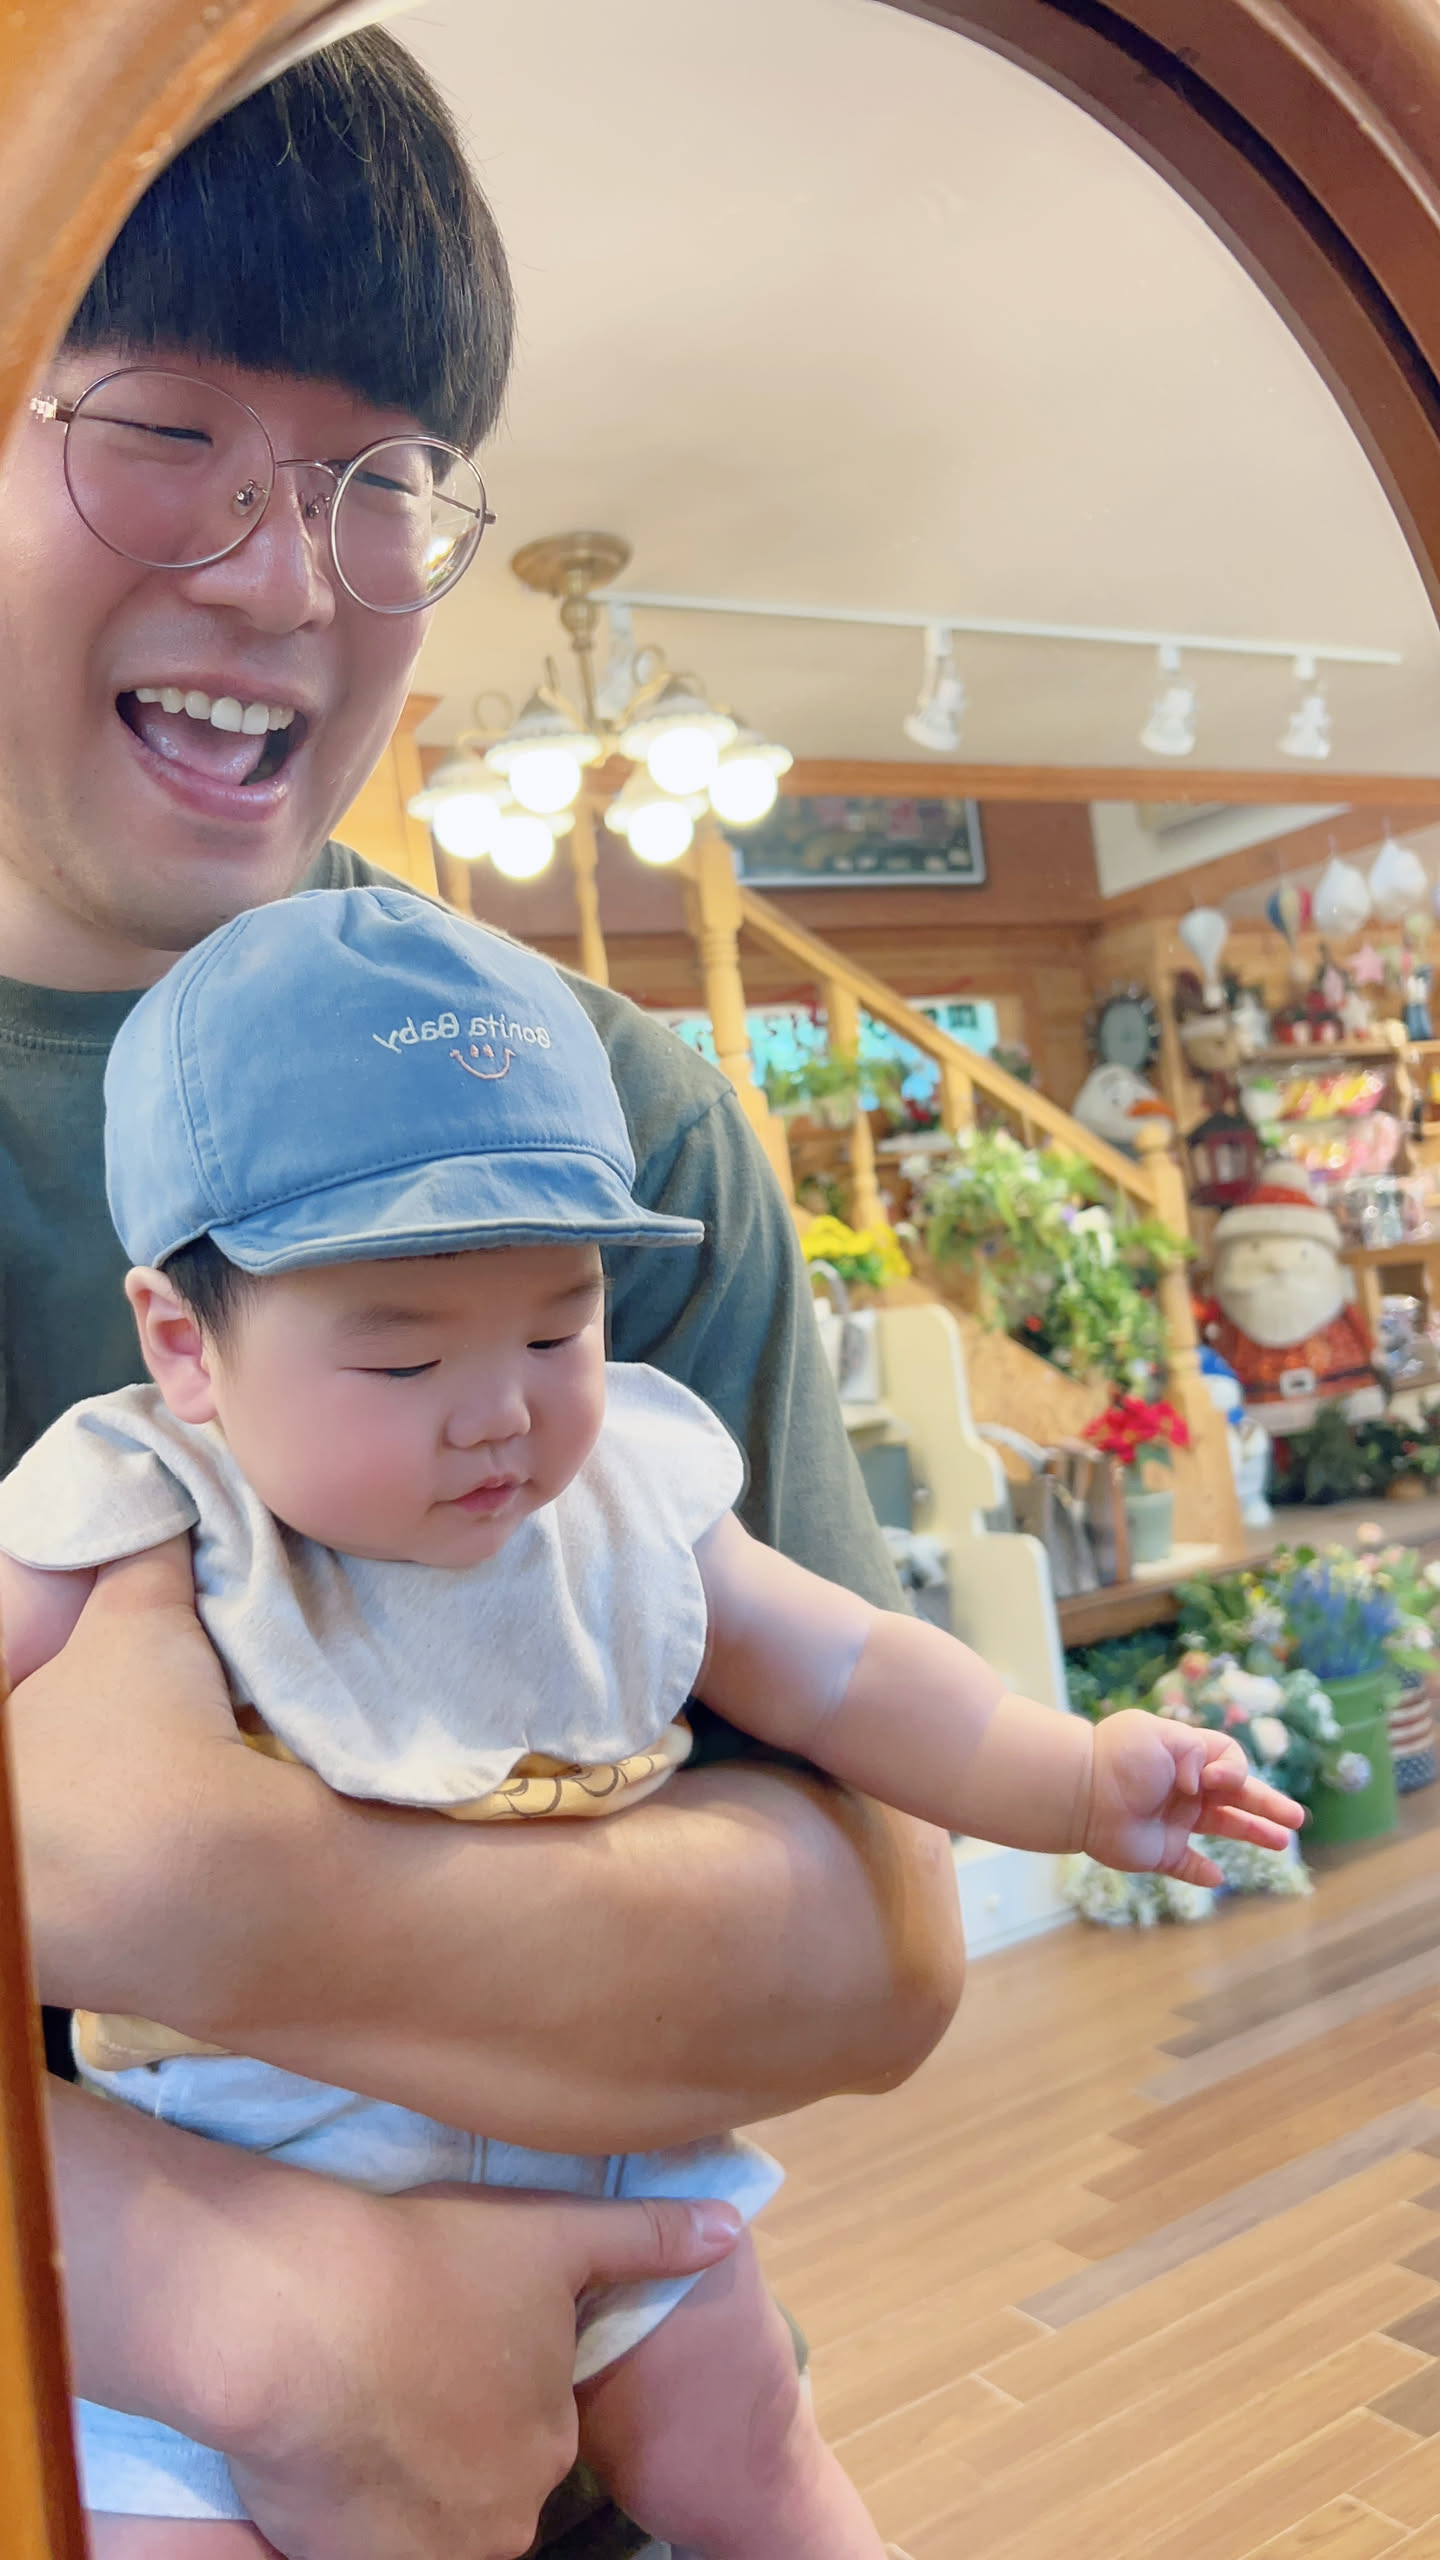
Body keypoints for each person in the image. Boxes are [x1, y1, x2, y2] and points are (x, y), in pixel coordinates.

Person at [0, 31, 968, 2560]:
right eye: (164, 433)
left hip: (639, 2438)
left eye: (383, 481)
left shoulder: (606, 1118)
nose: (287, 577)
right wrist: (211, 2291)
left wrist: (213, 1890)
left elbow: (874, 1943)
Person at [0, 885, 1303, 2558]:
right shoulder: (141, 1494)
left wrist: (1076, 1777)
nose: (500, 1413)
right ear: (186, 1343)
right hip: (258, 2174)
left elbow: (846, 1671)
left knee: (756, 2457)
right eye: (399, 1364)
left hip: (605, 2143)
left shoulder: (633, 1482)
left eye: (560, 1324)